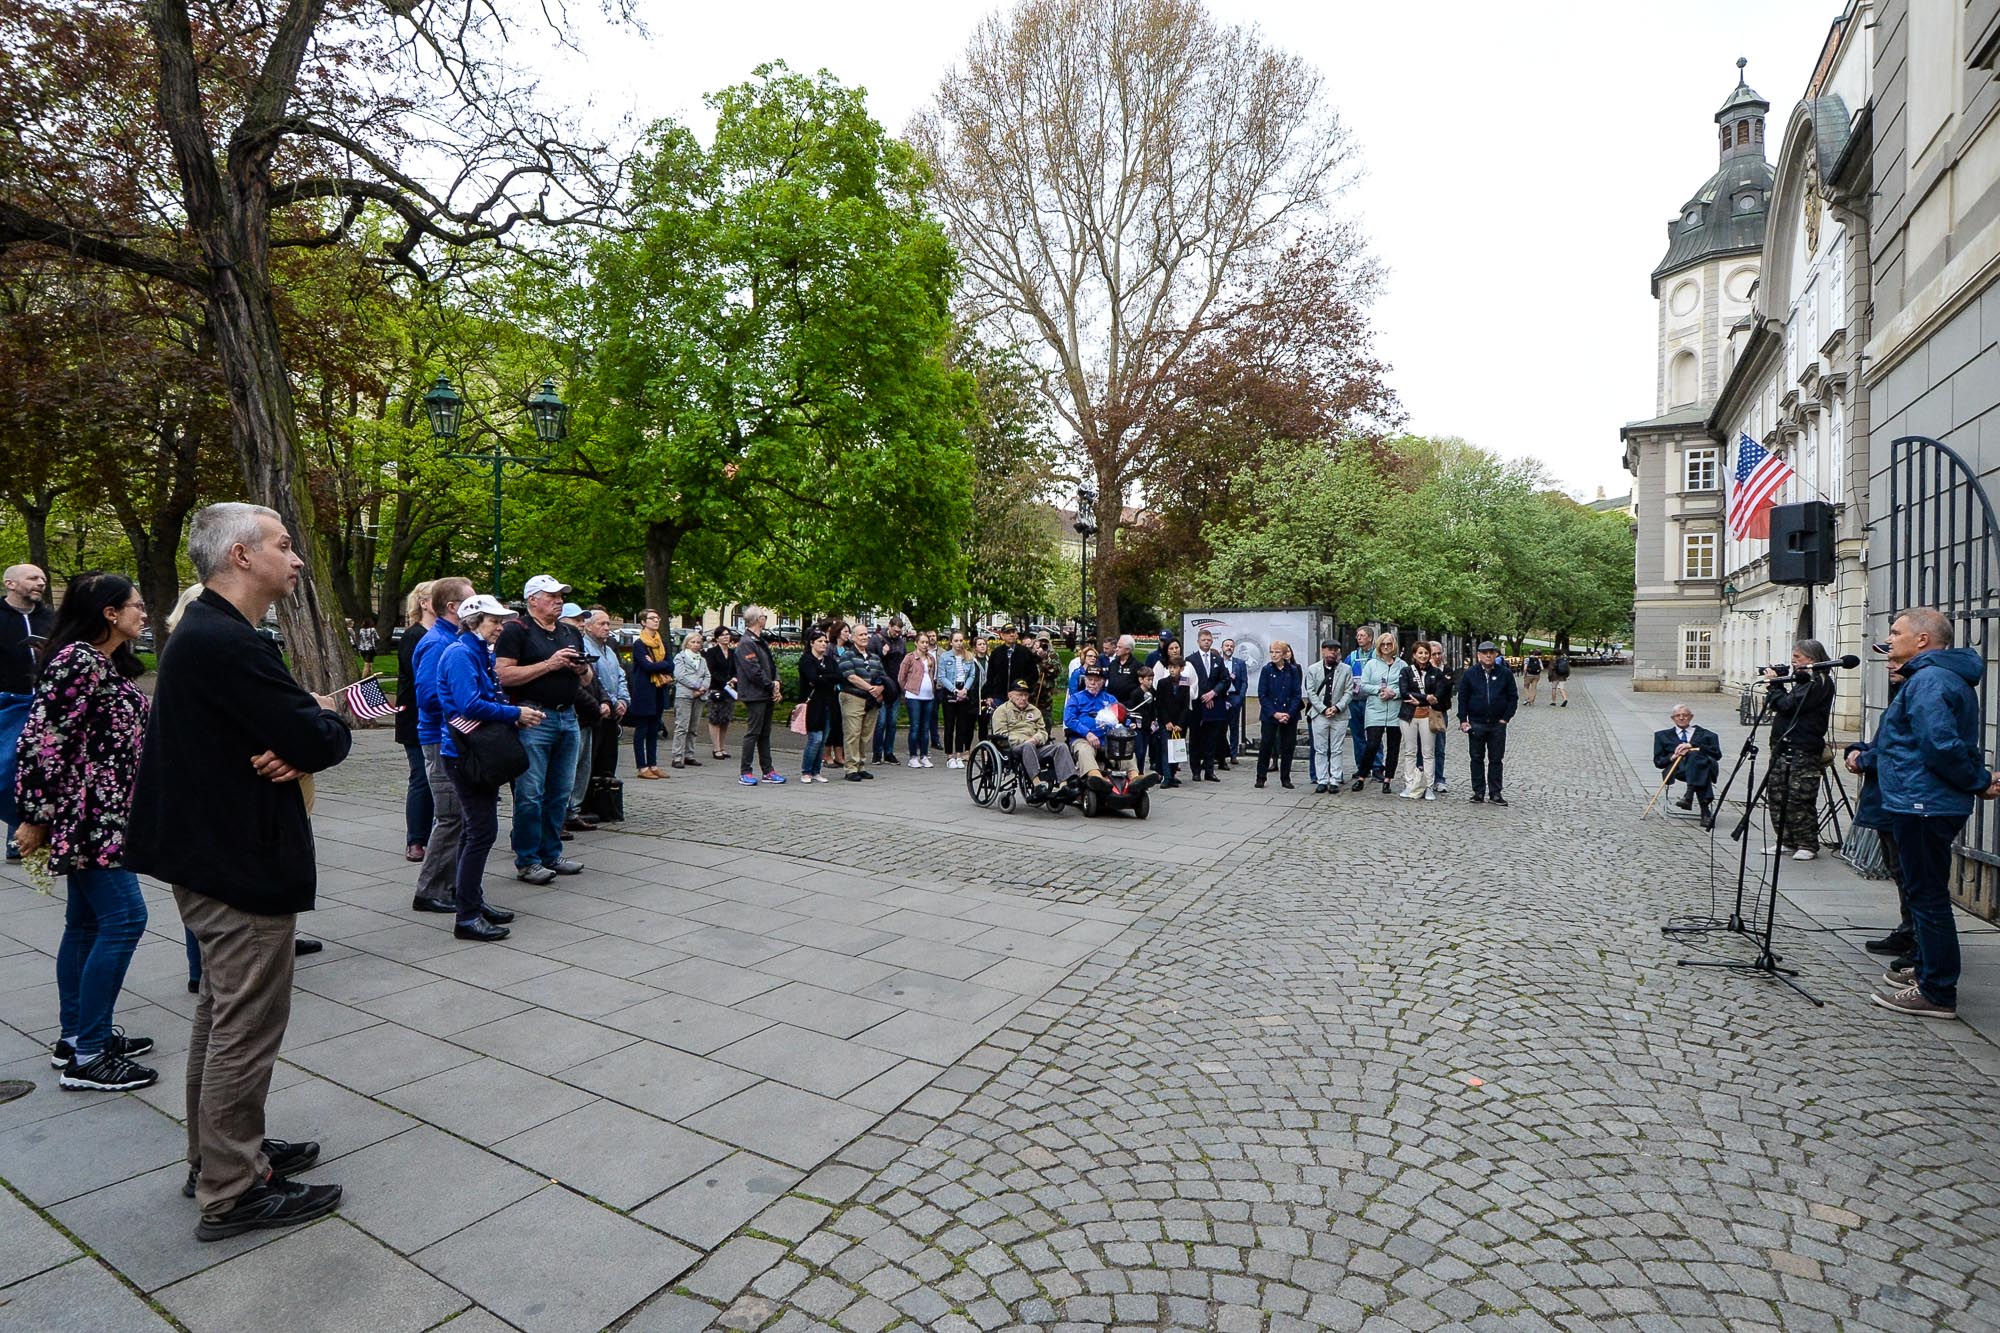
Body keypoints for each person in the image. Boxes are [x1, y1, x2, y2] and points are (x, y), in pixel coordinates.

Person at [125, 502, 351, 1241]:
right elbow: (317, 732)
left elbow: (290, 732)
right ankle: (231, 1185)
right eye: (284, 545)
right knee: (244, 1026)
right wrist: (317, 728)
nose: (297, 558)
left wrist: (297, 734)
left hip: (214, 852)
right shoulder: (227, 641)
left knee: (221, 1015)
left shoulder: (214, 636)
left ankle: (218, 1155)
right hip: (236, 861)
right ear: (241, 555)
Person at [14, 573, 155, 1091]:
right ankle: (90, 1054)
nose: (145, 612)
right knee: (124, 920)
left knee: (87, 924)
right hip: (90, 817)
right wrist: (34, 816)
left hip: (105, 811)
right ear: (109, 613)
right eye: (137, 605)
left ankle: (75, 1038)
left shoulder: (101, 662)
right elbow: (42, 739)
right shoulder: (77, 660)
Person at [1850, 608, 1995, 1020]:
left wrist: (1977, 780)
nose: (1890, 639)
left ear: (1923, 640)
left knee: (1928, 898)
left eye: (1896, 632)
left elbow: (1941, 745)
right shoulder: (1932, 677)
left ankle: (1936, 990)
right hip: (1919, 799)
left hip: (1923, 803)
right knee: (1922, 894)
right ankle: (1930, 970)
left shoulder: (1930, 680)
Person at [438, 593, 542, 945]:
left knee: (475, 831)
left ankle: (472, 902)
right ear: (474, 622)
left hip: (473, 750)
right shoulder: (461, 654)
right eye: (494, 621)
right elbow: (469, 703)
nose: (500, 627)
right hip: (465, 753)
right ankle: (467, 915)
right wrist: (515, 714)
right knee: (480, 831)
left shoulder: (475, 651)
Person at [495, 575, 588, 884]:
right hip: (534, 716)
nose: (559, 600)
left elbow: (586, 680)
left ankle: (551, 852)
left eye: (561, 595)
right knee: (531, 792)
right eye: (552, 595)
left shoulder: (569, 631)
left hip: (567, 716)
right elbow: (503, 675)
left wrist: (581, 668)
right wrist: (550, 664)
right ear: (533, 599)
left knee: (560, 791)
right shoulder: (516, 630)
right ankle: (527, 859)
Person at [410, 577, 473, 914]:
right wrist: (467, 699)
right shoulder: (438, 643)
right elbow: (428, 696)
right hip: (439, 739)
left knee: (459, 816)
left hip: (452, 737)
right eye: (471, 600)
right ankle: (430, 889)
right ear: (452, 607)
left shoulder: (453, 638)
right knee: (450, 817)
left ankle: (448, 884)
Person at [1761, 640, 1835, 861]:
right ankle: (1786, 840)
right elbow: (1782, 705)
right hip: (1783, 746)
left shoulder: (1819, 682)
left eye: (1798, 658)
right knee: (1776, 795)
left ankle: (1807, 843)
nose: (1793, 662)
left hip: (1803, 748)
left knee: (1798, 796)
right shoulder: (1803, 681)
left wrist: (1774, 685)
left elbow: (1787, 705)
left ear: (1812, 659)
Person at [0, 563, 53, 860]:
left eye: (43, 579)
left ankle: (24, 841)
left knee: (34, 770)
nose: (40, 583)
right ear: (10, 583)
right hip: (7, 703)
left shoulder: (50, 619)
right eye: (32, 578)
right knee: (9, 769)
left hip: (44, 705)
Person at [571, 608, 629, 820]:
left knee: (607, 759)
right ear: (588, 626)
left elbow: (620, 675)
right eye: (602, 624)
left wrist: (623, 700)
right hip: (595, 712)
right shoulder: (584, 647)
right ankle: (582, 805)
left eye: (607, 624)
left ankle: (603, 801)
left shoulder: (610, 650)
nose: (606, 628)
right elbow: (595, 681)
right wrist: (606, 703)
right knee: (588, 760)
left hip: (611, 713)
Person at [1062, 664, 1157, 792]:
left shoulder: (1109, 698)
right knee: (1084, 750)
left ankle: (1135, 778)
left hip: (1108, 738)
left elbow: (1121, 715)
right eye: (1090, 680)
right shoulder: (1076, 698)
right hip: (1083, 738)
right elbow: (1069, 719)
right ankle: (1097, 778)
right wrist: (1087, 733)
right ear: (1085, 681)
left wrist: (1129, 723)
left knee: (1125, 748)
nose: (1093, 683)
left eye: (1096, 680)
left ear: (1102, 682)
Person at [394, 581, 436, 862]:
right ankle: (416, 839)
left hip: (435, 718)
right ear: (422, 602)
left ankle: (439, 832)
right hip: (415, 718)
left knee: (439, 778)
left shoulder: (445, 634)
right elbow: (421, 675)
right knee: (421, 777)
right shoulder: (414, 635)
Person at [989, 677, 1077, 797]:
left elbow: (1043, 731)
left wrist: (1037, 738)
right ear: (1010, 695)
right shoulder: (1002, 711)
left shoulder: (1034, 711)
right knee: (1028, 746)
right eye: (1019, 695)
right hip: (1014, 748)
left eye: (1025, 695)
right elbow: (1001, 735)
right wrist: (1025, 741)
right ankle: (1037, 785)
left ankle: (1064, 785)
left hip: (1036, 745)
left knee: (1061, 747)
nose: (1023, 698)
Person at [1456, 640, 1517, 806]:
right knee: (1476, 758)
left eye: (1491, 652)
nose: (1488, 655)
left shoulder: (1505, 673)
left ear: (1496, 654)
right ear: (1478, 655)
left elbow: (1513, 697)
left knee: (1496, 759)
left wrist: (1506, 718)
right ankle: (1478, 791)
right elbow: (1463, 698)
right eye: (1485, 652)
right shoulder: (1470, 674)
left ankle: (1495, 793)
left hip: (1497, 723)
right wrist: (1463, 720)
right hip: (1476, 722)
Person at [733, 606, 784, 785]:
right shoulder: (747, 642)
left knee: (764, 733)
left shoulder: (759, 640)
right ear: (757, 620)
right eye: (763, 616)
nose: (765, 618)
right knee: (753, 732)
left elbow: (770, 665)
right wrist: (771, 686)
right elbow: (753, 671)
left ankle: (768, 770)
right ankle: (745, 771)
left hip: (765, 693)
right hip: (755, 695)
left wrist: (776, 683)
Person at [836, 627, 889, 782]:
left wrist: (880, 688)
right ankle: (851, 768)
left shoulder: (875, 657)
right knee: (853, 733)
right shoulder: (847, 655)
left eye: (866, 634)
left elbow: (883, 676)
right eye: (861, 635)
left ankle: (860, 765)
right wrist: (871, 688)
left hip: (872, 701)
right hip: (853, 697)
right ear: (853, 638)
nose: (865, 637)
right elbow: (851, 677)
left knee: (865, 735)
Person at [1654, 705, 1722, 824]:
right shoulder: (1662, 735)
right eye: (1678, 715)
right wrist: (1674, 756)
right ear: (1673, 718)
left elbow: (1717, 755)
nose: (1681, 718)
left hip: (1703, 767)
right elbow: (1658, 762)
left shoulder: (1707, 735)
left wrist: (1694, 746)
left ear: (1691, 717)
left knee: (1695, 757)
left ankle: (1689, 794)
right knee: (1701, 769)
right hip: (1679, 770)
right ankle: (1705, 811)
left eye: (1685, 715)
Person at [1302, 640, 1353, 794]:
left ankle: (1335, 779)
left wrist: (1338, 707)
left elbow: (1349, 691)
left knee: (1336, 749)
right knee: (1320, 749)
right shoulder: (1313, 669)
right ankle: (1322, 779)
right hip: (1320, 714)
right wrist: (1323, 709)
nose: (1333, 653)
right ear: (1323, 651)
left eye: (1335, 650)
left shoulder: (1346, 669)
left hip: (1339, 714)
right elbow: (1310, 692)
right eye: (1329, 650)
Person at [1355, 632, 1403, 794]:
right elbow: (1363, 685)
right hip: (1376, 709)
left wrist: (1394, 692)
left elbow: (1406, 687)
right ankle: (1362, 776)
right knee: (1372, 744)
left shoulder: (1402, 665)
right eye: (1383, 644)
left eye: (1389, 644)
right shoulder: (1371, 664)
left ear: (1394, 645)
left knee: (1393, 746)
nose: (1386, 647)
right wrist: (1379, 690)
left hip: (1395, 710)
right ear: (1379, 646)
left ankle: (1388, 779)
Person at [1396, 642, 1444, 800]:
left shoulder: (1436, 673)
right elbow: (1404, 692)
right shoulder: (1406, 671)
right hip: (1409, 715)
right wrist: (1425, 698)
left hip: (1427, 716)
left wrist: (1422, 700)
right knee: (1410, 751)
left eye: (1426, 653)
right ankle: (1410, 784)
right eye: (1420, 653)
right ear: (1414, 655)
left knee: (1428, 753)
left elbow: (1438, 695)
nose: (1423, 656)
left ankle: (1429, 786)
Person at [627, 610, 672, 777]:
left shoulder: (662, 643)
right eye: (652, 618)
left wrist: (658, 664)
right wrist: (661, 665)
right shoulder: (640, 644)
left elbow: (670, 665)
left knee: (654, 728)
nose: (656, 621)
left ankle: (653, 764)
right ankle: (642, 767)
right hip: (644, 692)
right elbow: (647, 667)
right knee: (642, 730)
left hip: (659, 691)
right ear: (643, 622)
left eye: (657, 618)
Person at [1187, 627, 1233, 782]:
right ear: (1198, 641)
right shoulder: (1191, 660)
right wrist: (1203, 696)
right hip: (1197, 705)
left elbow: (1225, 680)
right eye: (1203, 640)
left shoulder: (1217, 660)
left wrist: (1213, 693)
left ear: (1212, 641)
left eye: (1208, 640)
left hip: (1214, 704)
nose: (1206, 642)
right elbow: (1190, 682)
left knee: (1211, 739)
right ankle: (1195, 770)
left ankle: (1209, 770)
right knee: (1195, 738)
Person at [1255, 640, 1302, 789]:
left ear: (1284, 654)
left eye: (1277, 652)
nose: (1274, 655)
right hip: (1271, 714)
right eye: (1272, 652)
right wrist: (1274, 713)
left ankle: (1285, 777)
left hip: (1289, 714)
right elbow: (1262, 694)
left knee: (1288, 747)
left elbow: (1297, 694)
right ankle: (1261, 777)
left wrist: (1288, 713)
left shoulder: (1293, 670)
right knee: (1266, 745)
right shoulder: (1266, 670)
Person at [797, 629, 842, 783]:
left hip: (829, 702)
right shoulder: (806, 660)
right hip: (813, 704)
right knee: (815, 738)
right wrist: (823, 678)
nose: (823, 644)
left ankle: (817, 771)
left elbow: (838, 676)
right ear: (811, 643)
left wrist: (823, 677)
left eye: (825, 641)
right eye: (820, 641)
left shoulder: (829, 660)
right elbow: (813, 678)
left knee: (824, 739)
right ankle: (806, 770)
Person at [1151, 639, 1194, 788]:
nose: (1172, 670)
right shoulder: (1163, 683)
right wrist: (1167, 721)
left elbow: (1185, 705)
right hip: (1166, 722)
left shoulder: (1185, 683)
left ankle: (1173, 773)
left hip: (1179, 722)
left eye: (1175, 668)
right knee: (1166, 748)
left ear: (1181, 669)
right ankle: (1166, 776)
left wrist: (1180, 724)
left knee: (1177, 749)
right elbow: (1160, 704)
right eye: (1170, 668)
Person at [666, 627, 707, 770]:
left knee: (693, 727)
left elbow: (707, 676)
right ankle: (677, 756)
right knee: (681, 727)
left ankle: (689, 755)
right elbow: (680, 675)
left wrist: (703, 688)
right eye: (693, 642)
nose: (696, 644)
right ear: (687, 643)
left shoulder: (702, 660)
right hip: (684, 695)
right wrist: (696, 686)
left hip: (700, 696)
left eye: (698, 642)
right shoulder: (680, 657)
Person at [939, 630, 980, 769]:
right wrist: (954, 690)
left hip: (964, 693)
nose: (958, 643)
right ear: (951, 642)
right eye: (956, 641)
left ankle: (959, 754)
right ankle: (950, 755)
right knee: (949, 725)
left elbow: (972, 675)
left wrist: (965, 690)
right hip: (950, 692)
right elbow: (942, 677)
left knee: (962, 726)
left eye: (961, 640)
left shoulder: (968, 656)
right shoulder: (945, 657)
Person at [899, 630, 939, 768]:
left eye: (927, 642)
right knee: (915, 726)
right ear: (916, 643)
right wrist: (907, 689)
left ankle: (924, 755)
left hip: (928, 696)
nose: (925, 645)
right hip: (914, 695)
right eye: (922, 642)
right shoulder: (910, 658)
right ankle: (913, 756)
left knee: (925, 726)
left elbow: (932, 675)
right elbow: (901, 677)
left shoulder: (931, 659)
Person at [1344, 626, 1378, 785]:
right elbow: (1344, 674)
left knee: (1374, 735)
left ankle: (1378, 766)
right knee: (1358, 736)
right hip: (1355, 700)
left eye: (1362, 635)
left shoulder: (1377, 656)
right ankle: (1361, 767)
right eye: (1357, 635)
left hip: (1372, 700)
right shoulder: (1351, 656)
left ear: (1370, 638)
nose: (1359, 638)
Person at [872, 619, 907, 764]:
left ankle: (889, 752)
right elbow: (871, 661)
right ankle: (877, 753)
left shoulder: (901, 642)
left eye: (899, 631)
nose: (897, 634)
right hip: (882, 685)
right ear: (889, 627)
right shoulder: (876, 640)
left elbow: (904, 663)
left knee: (892, 722)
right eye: (895, 630)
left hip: (896, 686)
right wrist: (882, 653)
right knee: (881, 722)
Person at [704, 625, 737, 760]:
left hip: (730, 690)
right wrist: (725, 682)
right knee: (715, 718)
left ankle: (722, 747)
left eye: (727, 634)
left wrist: (735, 678)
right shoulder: (711, 653)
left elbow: (736, 668)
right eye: (723, 635)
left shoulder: (733, 652)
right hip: (716, 688)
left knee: (725, 719)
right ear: (717, 638)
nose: (726, 637)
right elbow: (712, 671)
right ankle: (716, 748)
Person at [1427, 641, 1456, 795]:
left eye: (1439, 653)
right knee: (1422, 747)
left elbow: (1444, 689)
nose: (1437, 657)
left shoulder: (1447, 670)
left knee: (1439, 746)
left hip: (1439, 712)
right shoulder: (1422, 670)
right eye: (1434, 654)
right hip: (1423, 711)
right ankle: (1423, 777)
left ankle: (1439, 778)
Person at [1223, 638, 1250, 768]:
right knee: (1220, 727)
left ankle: (1233, 754)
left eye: (1231, 646)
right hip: (1221, 698)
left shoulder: (1239, 663)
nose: (1229, 648)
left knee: (1234, 726)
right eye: (1227, 645)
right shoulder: (1217, 662)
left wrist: (1241, 696)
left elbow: (1244, 681)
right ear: (1222, 648)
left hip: (1234, 696)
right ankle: (1221, 754)